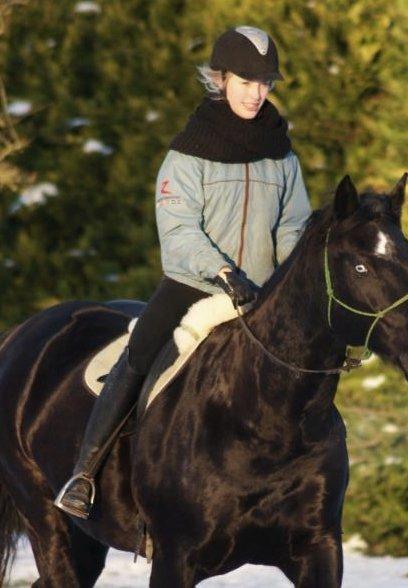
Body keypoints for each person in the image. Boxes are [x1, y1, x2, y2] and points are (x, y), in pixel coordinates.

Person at [54, 25, 312, 519]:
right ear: (220, 79)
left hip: (262, 294)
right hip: (194, 286)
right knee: (140, 350)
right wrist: (222, 270)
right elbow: (178, 233)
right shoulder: (186, 154)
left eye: (266, 84)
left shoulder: (283, 155)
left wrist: (289, 280)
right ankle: (84, 475)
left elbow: (293, 226)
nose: (257, 94)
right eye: (246, 82)